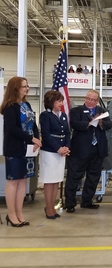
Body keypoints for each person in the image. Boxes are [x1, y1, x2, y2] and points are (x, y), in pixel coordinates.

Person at [0, 77, 41, 227]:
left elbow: (33, 124)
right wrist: (31, 138)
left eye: (27, 85)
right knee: (13, 181)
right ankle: (11, 214)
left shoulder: (27, 104)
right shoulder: (10, 107)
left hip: (28, 149)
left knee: (23, 180)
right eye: (24, 86)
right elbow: (12, 128)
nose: (27, 88)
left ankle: (19, 212)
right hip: (15, 148)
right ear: (15, 88)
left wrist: (36, 139)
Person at [65, 90, 112, 213]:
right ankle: (70, 203)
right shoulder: (76, 111)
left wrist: (100, 122)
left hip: (97, 150)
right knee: (74, 177)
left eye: (92, 99)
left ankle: (87, 201)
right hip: (80, 150)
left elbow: (109, 124)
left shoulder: (102, 111)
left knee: (93, 177)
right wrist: (89, 123)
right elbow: (74, 124)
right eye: (88, 98)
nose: (89, 101)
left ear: (97, 101)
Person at [39, 90, 71, 219]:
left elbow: (67, 133)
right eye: (59, 101)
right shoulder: (45, 115)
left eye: (62, 101)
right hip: (50, 152)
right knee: (49, 181)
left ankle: (52, 206)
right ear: (51, 101)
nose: (61, 103)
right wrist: (58, 148)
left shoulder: (63, 115)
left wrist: (67, 147)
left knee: (57, 180)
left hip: (61, 152)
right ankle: (48, 207)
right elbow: (46, 135)